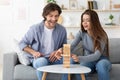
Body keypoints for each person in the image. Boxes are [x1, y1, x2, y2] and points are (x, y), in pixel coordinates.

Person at [19, 3, 67, 80]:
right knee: (42, 62)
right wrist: (34, 52)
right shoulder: (35, 29)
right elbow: (22, 43)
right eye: (51, 16)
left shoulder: (62, 30)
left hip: (55, 58)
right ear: (45, 15)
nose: (54, 19)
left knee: (70, 61)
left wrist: (59, 50)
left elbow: (65, 46)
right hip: (40, 58)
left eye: (56, 16)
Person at [70, 9, 112, 80]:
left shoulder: (102, 35)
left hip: (102, 60)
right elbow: (72, 46)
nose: (85, 23)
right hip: (89, 61)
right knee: (80, 69)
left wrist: (79, 58)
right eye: (83, 20)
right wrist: (62, 50)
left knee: (101, 65)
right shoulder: (81, 33)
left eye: (88, 20)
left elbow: (96, 56)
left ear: (94, 22)